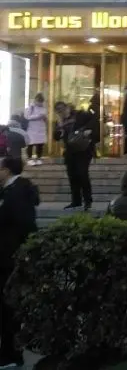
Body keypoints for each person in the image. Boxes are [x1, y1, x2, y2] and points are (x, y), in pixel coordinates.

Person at [0, 157, 38, 368]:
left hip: (10, 258)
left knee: (10, 308)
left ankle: (12, 354)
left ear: (6, 170)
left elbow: (26, 225)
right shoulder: (8, 191)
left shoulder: (18, 193)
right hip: (5, 257)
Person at [54, 101, 94, 211]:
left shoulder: (79, 115)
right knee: (72, 176)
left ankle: (88, 200)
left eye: (62, 109)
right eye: (58, 111)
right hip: (70, 151)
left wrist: (88, 130)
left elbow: (93, 119)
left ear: (67, 108)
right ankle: (76, 201)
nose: (61, 113)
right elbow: (56, 137)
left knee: (82, 173)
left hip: (83, 150)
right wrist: (59, 129)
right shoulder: (59, 122)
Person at [24, 93, 47, 166]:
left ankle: (39, 158)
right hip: (32, 128)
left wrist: (44, 118)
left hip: (41, 128)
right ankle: (30, 159)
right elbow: (27, 117)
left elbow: (44, 117)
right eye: (38, 101)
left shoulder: (44, 108)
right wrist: (38, 116)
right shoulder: (31, 107)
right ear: (35, 100)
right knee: (30, 144)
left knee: (40, 144)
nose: (40, 103)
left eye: (41, 101)